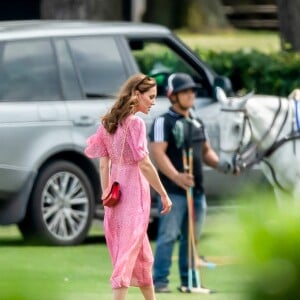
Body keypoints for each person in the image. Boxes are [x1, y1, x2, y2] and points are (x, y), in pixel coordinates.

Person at [85, 74, 172, 300]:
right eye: (151, 97)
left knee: (141, 255)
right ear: (136, 95)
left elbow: (104, 164)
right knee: (126, 256)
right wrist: (163, 193)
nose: (153, 102)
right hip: (134, 196)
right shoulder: (136, 124)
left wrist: (106, 194)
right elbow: (144, 163)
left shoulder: (108, 123)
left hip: (115, 198)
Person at [149, 73, 230, 293]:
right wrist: (177, 177)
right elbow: (158, 154)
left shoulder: (197, 121)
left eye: (192, 91)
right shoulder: (162, 122)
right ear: (173, 96)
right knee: (168, 236)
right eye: (185, 91)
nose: (191, 94)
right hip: (173, 191)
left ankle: (189, 281)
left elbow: (206, 152)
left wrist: (224, 165)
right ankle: (159, 281)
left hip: (197, 191)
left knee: (192, 239)